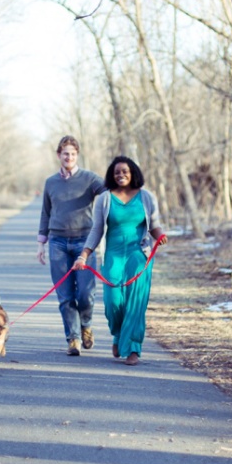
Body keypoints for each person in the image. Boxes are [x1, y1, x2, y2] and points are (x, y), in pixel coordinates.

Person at [73, 156, 167, 366]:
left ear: (133, 172)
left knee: (135, 302)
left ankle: (133, 348)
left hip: (138, 255)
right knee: (113, 302)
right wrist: (84, 255)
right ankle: (118, 335)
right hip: (113, 255)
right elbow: (97, 230)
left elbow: (154, 225)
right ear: (111, 175)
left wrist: (160, 235)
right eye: (117, 172)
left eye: (125, 171)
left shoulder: (146, 197)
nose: (121, 175)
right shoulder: (105, 198)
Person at [37, 135, 107, 356]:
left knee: (86, 293)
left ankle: (86, 325)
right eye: (65, 153)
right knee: (65, 295)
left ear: (77, 156)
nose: (69, 157)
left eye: (73, 154)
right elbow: (45, 212)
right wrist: (41, 243)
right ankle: (73, 339)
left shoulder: (89, 179)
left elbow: (108, 192)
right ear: (59, 155)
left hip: (84, 243)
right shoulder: (50, 182)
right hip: (57, 242)